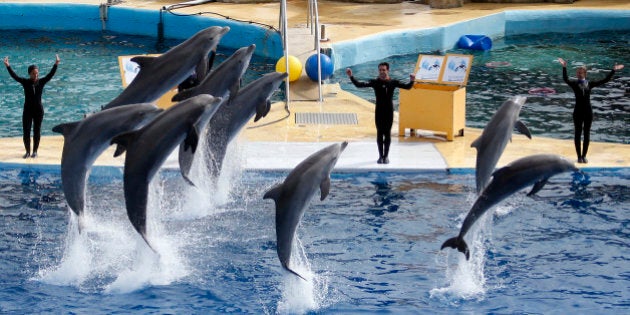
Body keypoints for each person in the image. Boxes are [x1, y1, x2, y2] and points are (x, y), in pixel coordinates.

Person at [558, 58, 624, 164]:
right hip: (577, 112)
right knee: (578, 134)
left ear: (585, 74)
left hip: (588, 112)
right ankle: (579, 156)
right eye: (578, 73)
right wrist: (564, 67)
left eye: (581, 72)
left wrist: (613, 70)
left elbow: (604, 80)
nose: (579, 74)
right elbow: (565, 79)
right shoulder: (574, 84)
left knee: (587, 134)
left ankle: (584, 156)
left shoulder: (590, 84)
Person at [346, 63, 415, 164]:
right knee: (379, 133)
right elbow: (359, 85)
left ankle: (386, 156)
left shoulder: (393, 82)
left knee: (387, 134)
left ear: (388, 70)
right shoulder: (375, 82)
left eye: (384, 70)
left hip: (388, 112)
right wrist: (351, 76)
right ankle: (380, 156)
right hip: (379, 112)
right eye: (380, 70)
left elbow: (407, 87)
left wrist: (412, 80)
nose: (382, 72)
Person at [4, 54, 60, 158]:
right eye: (34, 74)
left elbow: (50, 75)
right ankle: (27, 152)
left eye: (37, 74)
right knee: (26, 131)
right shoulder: (25, 82)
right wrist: (8, 66)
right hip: (28, 111)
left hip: (38, 111)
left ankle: (35, 151)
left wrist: (56, 64)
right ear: (30, 74)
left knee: (36, 131)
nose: (36, 76)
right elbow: (15, 76)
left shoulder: (41, 82)